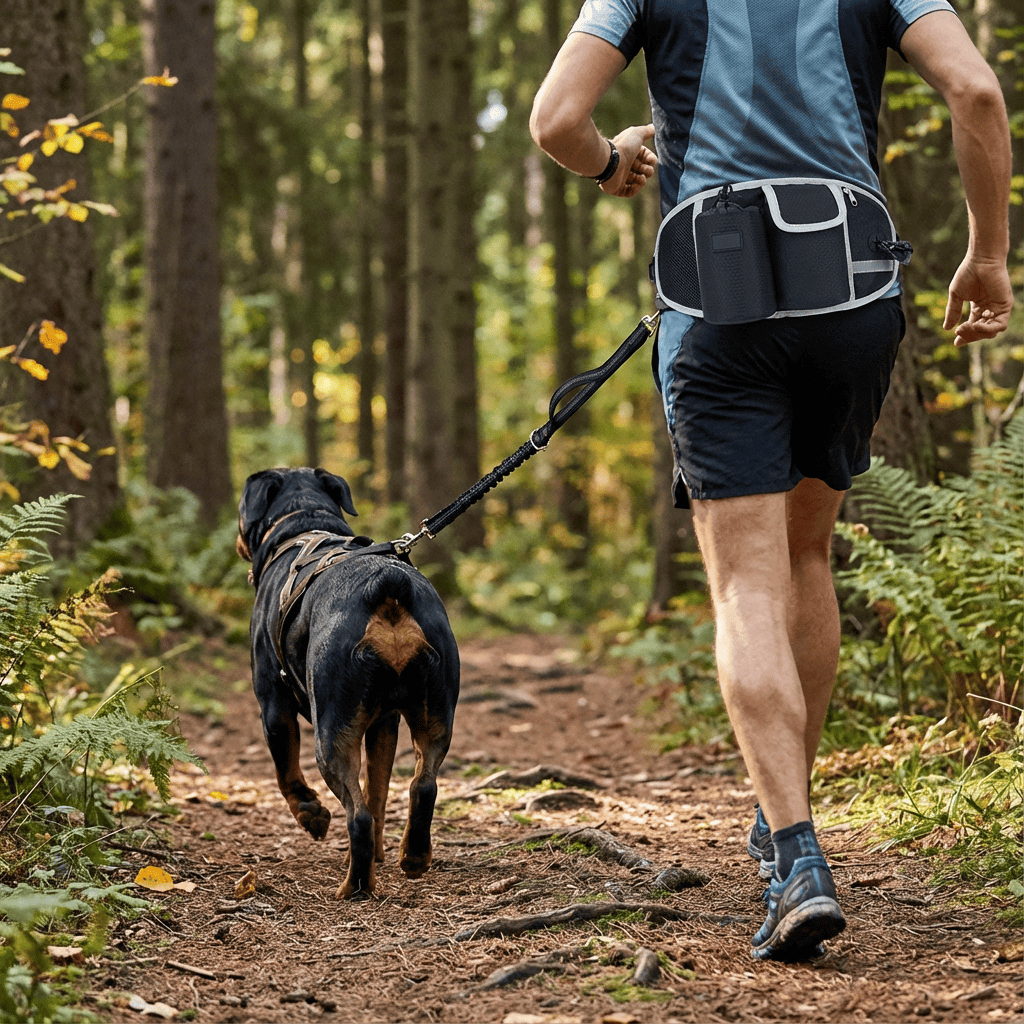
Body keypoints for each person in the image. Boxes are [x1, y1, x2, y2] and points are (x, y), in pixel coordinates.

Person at [530, 3, 1013, 961]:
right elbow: (977, 90)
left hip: (717, 307)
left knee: (744, 579)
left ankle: (793, 850)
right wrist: (988, 256)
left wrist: (609, 161)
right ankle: (789, 816)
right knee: (804, 552)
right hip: (852, 299)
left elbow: (554, 120)